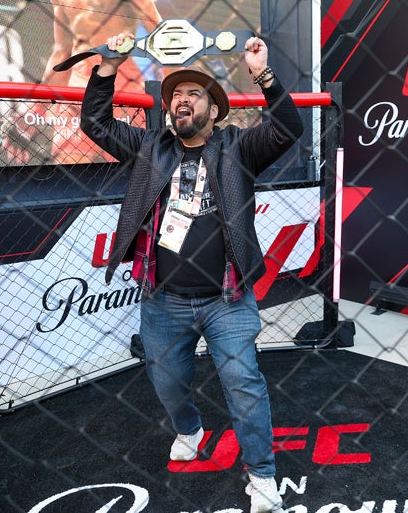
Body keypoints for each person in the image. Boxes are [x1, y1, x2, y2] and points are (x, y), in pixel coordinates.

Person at [80, 32, 302, 512]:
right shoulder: (150, 147)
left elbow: (288, 128)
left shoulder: (238, 148)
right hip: (163, 299)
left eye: (194, 94)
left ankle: (263, 475)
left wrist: (263, 74)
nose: (182, 100)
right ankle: (189, 429)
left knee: (243, 383)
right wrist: (108, 66)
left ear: (214, 110)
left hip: (228, 300)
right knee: (167, 381)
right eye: (176, 95)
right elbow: (95, 123)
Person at [3, 0, 165, 164]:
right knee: (67, 172)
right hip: (77, 85)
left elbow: (163, 37)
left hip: (120, 83)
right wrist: (34, 110)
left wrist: (178, 95)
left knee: (127, 173)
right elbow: (62, 50)